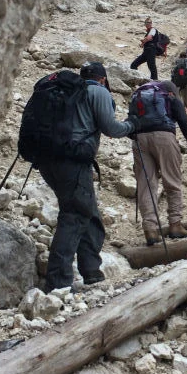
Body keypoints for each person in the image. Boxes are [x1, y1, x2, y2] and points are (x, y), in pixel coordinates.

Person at [37, 62, 135, 291]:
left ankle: (91, 271)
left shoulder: (65, 91)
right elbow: (111, 128)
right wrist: (133, 124)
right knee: (75, 214)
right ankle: (58, 283)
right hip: (73, 160)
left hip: (46, 160)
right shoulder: (97, 91)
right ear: (102, 79)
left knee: (87, 212)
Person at [129, 81, 187, 245]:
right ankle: (175, 225)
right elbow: (183, 120)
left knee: (146, 184)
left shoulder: (139, 97)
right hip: (164, 137)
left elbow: (130, 121)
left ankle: (150, 230)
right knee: (172, 181)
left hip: (139, 140)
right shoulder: (169, 96)